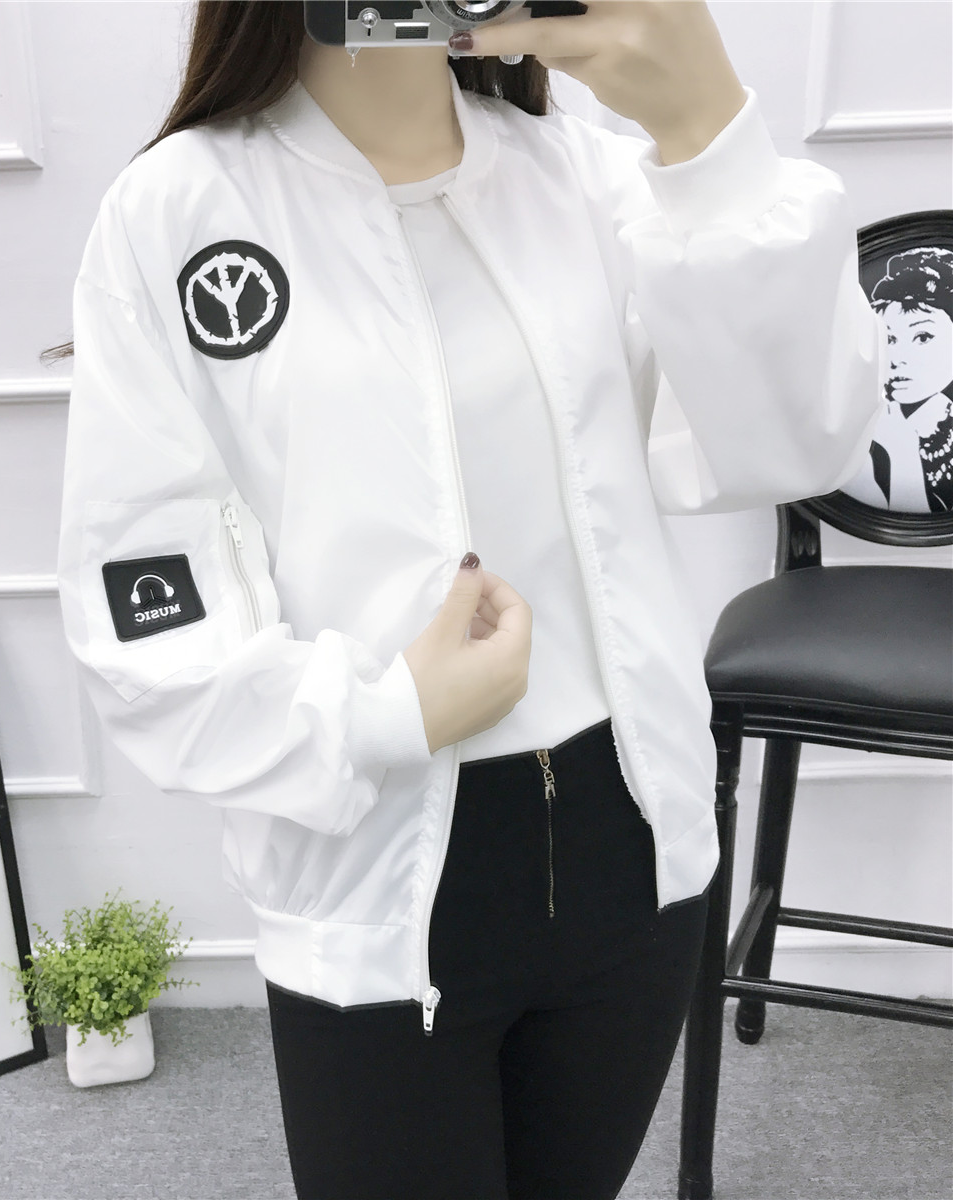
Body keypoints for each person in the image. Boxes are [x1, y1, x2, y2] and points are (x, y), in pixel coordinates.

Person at [50, 3, 883, 1197]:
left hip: (636, 846)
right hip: (377, 875)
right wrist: (389, 711)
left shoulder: (585, 179)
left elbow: (792, 442)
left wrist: (711, 140)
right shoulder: (180, 211)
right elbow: (144, 621)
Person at [840, 246, 953, 513]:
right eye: (888, 338)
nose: (897, 358)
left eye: (922, 337)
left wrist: (902, 448)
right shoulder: (857, 426)